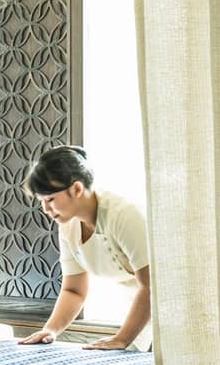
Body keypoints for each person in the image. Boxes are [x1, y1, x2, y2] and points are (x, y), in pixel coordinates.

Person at [16, 146, 152, 350]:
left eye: (50, 199)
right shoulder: (68, 225)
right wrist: (50, 330)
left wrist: (121, 339)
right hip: (139, 308)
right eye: (41, 201)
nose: (45, 209)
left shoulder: (124, 215)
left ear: (76, 189)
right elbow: (74, 290)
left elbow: (151, 287)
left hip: (169, 303)